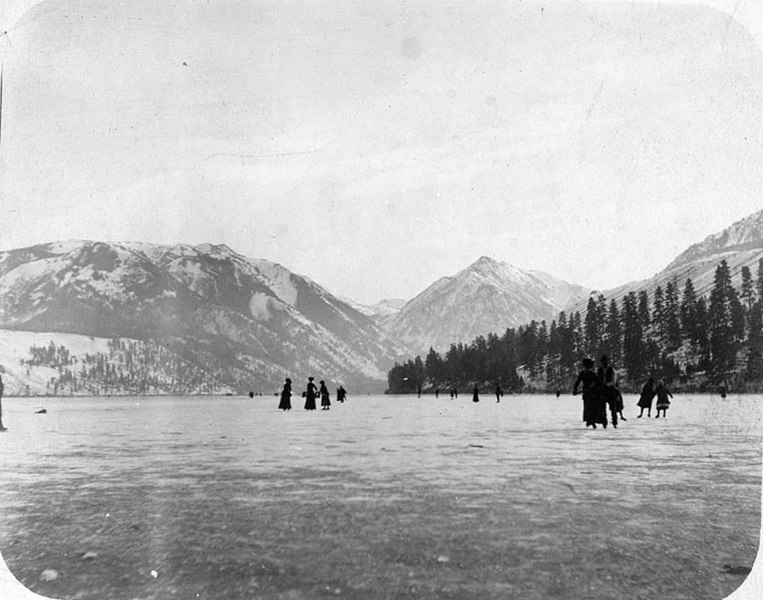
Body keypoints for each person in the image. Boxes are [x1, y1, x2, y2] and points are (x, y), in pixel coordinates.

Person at [573, 358, 607, 429]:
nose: (586, 368)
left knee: (593, 408)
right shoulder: (582, 374)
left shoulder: (592, 374)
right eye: (585, 366)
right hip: (586, 393)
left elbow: (597, 382)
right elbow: (577, 382)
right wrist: (575, 389)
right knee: (587, 408)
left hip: (593, 393)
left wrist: (591, 386)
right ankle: (590, 421)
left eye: (587, 366)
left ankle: (595, 421)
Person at [597, 355, 621, 428]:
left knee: (613, 407)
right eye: (603, 361)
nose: (605, 363)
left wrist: (607, 384)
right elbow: (598, 379)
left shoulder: (612, 370)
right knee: (602, 407)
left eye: (606, 361)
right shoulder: (600, 370)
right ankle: (604, 422)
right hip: (602, 390)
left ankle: (614, 422)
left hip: (610, 390)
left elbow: (614, 380)